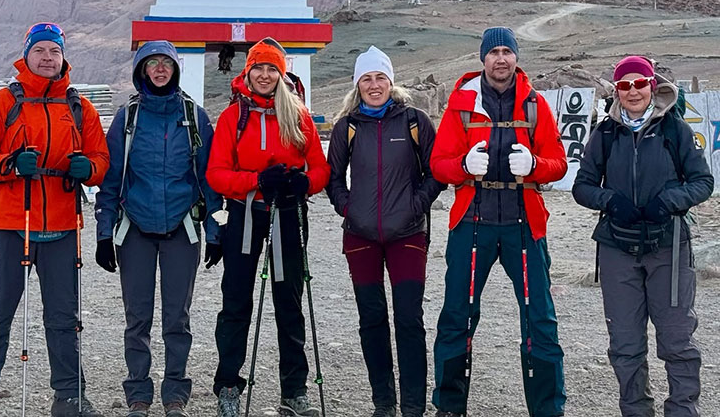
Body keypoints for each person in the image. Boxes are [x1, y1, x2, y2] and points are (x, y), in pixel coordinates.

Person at [0, 22, 109, 417]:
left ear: (64, 58)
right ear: (26, 55)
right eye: (40, 50)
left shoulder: (80, 107)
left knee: (64, 318)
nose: (47, 58)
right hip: (10, 224)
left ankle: (70, 396)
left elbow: (102, 161)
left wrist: (86, 169)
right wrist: (9, 164)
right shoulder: (1, 103)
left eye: (54, 52)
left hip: (62, 226)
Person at [429, 27, 568, 417]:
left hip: (524, 225)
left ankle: (547, 409)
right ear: (482, 58)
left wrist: (535, 166)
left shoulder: (535, 105)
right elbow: (438, 163)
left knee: (539, 317)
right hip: (472, 224)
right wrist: (461, 166)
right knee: (457, 314)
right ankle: (449, 407)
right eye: (494, 52)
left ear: (516, 57)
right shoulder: (461, 104)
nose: (501, 59)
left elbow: (559, 163)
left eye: (508, 51)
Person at [572, 56, 713, 417]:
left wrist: (670, 201)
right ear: (616, 91)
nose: (632, 91)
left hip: (668, 245)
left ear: (653, 85)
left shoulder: (675, 130)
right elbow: (582, 186)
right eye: (624, 85)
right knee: (624, 343)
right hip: (618, 245)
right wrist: (610, 201)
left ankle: (682, 411)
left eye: (639, 83)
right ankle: (636, 411)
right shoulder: (604, 133)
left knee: (677, 338)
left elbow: (703, 181)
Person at [94, 40, 223, 417]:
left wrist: (213, 231)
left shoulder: (195, 117)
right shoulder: (127, 118)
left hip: (182, 228)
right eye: (153, 63)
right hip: (134, 230)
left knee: (176, 317)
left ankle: (176, 393)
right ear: (141, 70)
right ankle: (138, 393)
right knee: (137, 316)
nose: (160, 69)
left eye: (166, 63)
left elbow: (207, 180)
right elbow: (112, 179)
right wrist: (105, 233)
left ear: (176, 69)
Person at [206, 37, 331, 417]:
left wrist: (304, 184)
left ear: (281, 73)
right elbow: (216, 174)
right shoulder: (232, 117)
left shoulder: (298, 114)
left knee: (288, 302)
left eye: (271, 68)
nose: (264, 74)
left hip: (289, 212)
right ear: (248, 71)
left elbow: (320, 167)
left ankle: (293, 391)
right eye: (258, 67)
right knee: (236, 302)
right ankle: (228, 385)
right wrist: (257, 181)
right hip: (246, 214)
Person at [325, 46, 445, 417]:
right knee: (371, 318)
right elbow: (332, 178)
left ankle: (412, 406)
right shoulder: (346, 126)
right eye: (367, 78)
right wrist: (348, 207)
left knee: (409, 318)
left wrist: (414, 205)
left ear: (391, 82)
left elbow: (436, 171)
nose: (374, 85)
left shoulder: (414, 120)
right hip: (360, 235)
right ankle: (384, 403)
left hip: (407, 234)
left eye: (380, 77)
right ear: (357, 84)